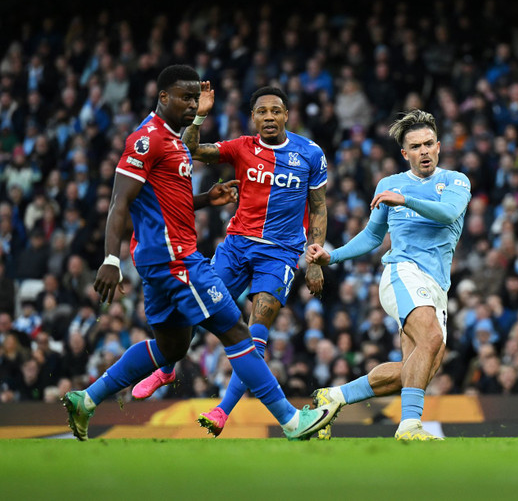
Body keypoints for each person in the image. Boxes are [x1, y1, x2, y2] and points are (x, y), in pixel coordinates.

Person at [60, 65, 339, 441]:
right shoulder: (149, 139)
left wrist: (206, 200)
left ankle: (87, 399)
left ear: (288, 114)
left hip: (172, 258)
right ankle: (291, 421)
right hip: (177, 260)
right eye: (185, 98)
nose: (192, 104)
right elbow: (118, 202)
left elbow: (166, 203)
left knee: (172, 344)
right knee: (237, 332)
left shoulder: (172, 141)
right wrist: (111, 259)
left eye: (196, 98)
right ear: (163, 98)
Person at [133, 85, 329, 437]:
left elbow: (318, 207)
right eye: (262, 112)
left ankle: (224, 409)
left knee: (256, 329)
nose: (269, 117)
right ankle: (167, 366)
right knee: (197, 309)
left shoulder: (310, 153)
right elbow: (190, 148)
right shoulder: (240, 147)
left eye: (276, 111)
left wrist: (314, 259)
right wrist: (201, 114)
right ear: (253, 117)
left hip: (281, 253)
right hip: (236, 246)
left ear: (287, 115)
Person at [306, 109, 471, 440]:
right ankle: (409, 426)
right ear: (404, 153)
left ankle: (333, 397)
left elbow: (448, 213)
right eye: (416, 146)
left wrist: (405, 199)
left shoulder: (455, 181)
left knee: (417, 369)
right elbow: (372, 236)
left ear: (438, 146)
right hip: (403, 273)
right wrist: (331, 256)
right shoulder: (389, 184)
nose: (423, 151)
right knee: (432, 339)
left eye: (428, 144)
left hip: (437, 285)